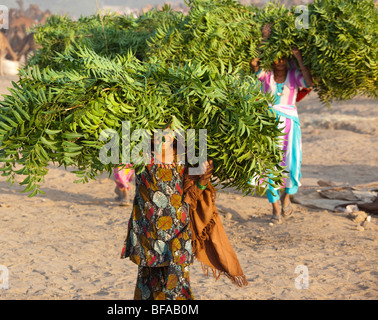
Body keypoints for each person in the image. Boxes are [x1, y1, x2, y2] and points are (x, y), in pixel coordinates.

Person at [120, 130, 247, 300]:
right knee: (149, 286)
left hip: (178, 232)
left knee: (178, 287)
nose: (163, 135)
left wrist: (202, 177)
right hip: (148, 233)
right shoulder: (141, 153)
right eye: (158, 130)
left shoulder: (184, 155)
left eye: (169, 131)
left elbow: (191, 195)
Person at [251, 25, 314, 224]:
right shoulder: (266, 75)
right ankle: (275, 208)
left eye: (283, 58)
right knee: (270, 165)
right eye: (276, 58)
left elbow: (310, 83)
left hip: (290, 126)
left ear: (288, 60)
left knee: (291, 163)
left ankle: (287, 198)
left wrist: (299, 58)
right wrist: (264, 38)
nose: (279, 62)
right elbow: (254, 64)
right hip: (268, 125)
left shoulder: (294, 76)